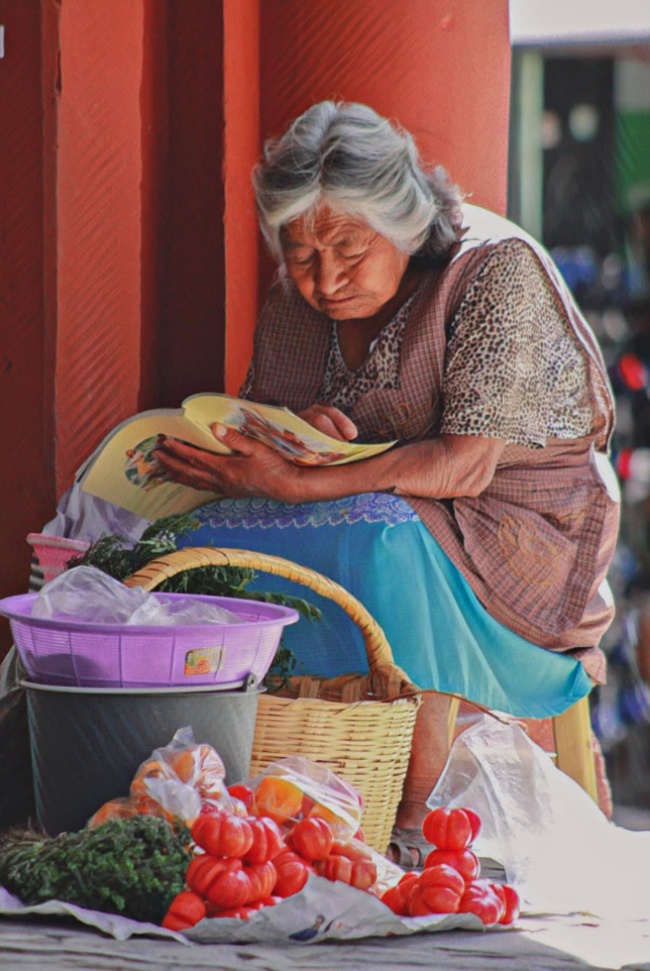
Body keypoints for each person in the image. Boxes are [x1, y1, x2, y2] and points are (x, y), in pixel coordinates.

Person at [46, 101, 621, 862]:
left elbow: (467, 462)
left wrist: (299, 483)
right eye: (302, 253)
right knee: (205, 538)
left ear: (407, 220)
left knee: (380, 533)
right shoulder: (300, 300)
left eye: (349, 247)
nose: (325, 277)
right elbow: (268, 428)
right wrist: (301, 427)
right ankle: (253, 788)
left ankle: (406, 815)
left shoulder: (491, 271)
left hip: (521, 528)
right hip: (370, 501)